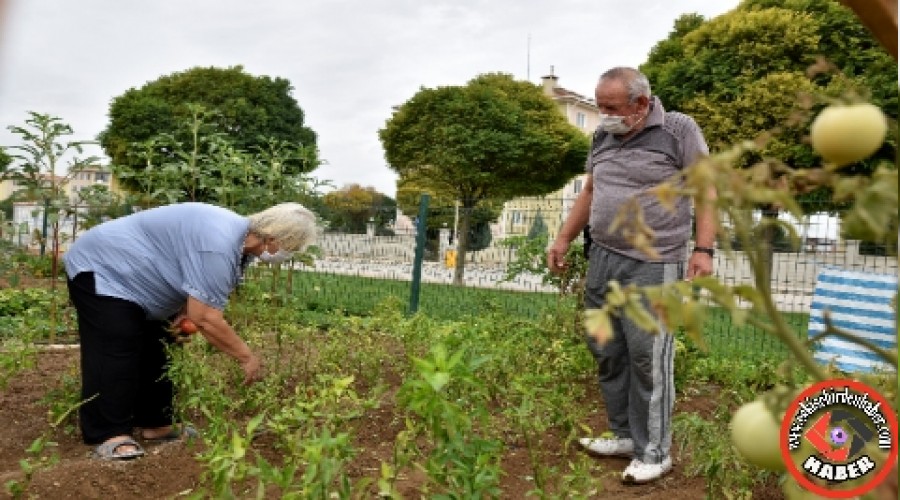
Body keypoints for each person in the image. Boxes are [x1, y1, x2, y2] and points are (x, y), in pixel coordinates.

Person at [547, 67, 715, 484]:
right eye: (599, 106)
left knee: (648, 357)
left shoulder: (678, 129)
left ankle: (655, 452)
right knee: (607, 349)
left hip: (655, 262)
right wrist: (564, 237)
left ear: (641, 104)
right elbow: (590, 190)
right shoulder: (603, 136)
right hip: (603, 255)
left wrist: (704, 248)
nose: (603, 116)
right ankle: (625, 435)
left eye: (611, 108)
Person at [63, 201, 317, 460]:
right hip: (106, 267)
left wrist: (188, 306)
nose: (288, 254)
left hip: (143, 281)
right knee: (117, 345)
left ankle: (156, 423)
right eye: (290, 248)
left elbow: (199, 287)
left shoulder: (241, 246)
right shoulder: (219, 243)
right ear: (274, 238)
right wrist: (246, 356)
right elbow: (206, 317)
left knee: (159, 347)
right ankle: (108, 433)